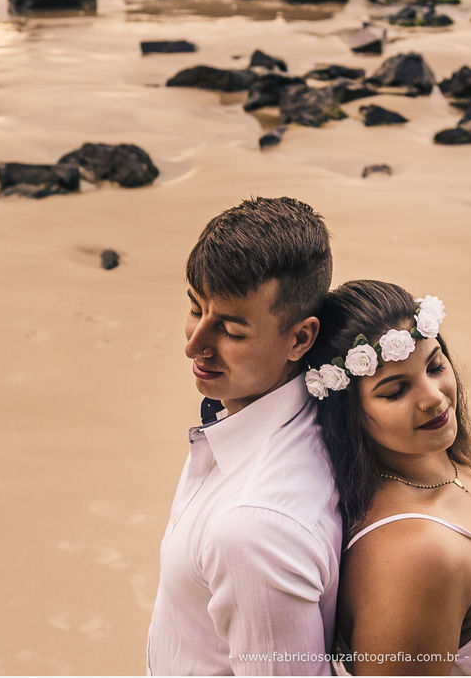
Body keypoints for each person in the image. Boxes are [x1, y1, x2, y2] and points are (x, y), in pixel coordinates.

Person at [304, 280, 471, 676]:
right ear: (349, 416)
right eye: (395, 391)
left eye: (435, 366)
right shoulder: (415, 557)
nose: (432, 396)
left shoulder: (455, 468)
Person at [146, 196, 342, 675]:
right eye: (195, 308)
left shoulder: (256, 530)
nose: (193, 344)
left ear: (300, 339)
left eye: (231, 331)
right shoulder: (266, 423)